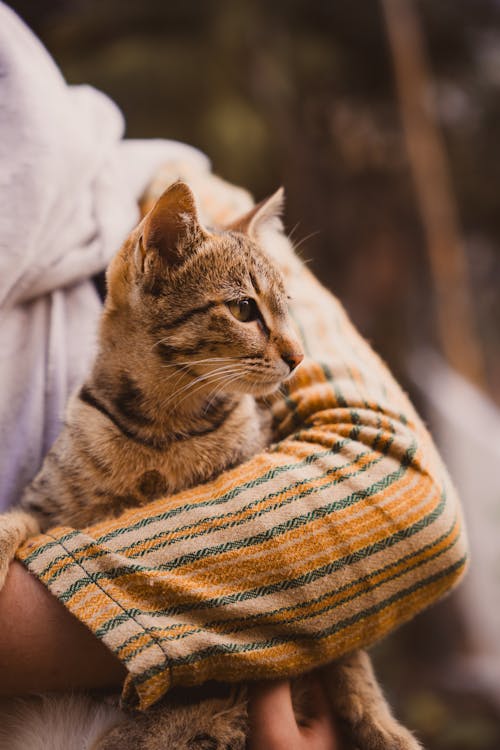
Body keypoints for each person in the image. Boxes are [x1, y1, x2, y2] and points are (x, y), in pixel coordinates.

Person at [0, 3, 467, 748]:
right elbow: (316, 563)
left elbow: (397, 493)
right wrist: (255, 612)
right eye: (253, 317)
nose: (292, 353)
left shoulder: (162, 183)